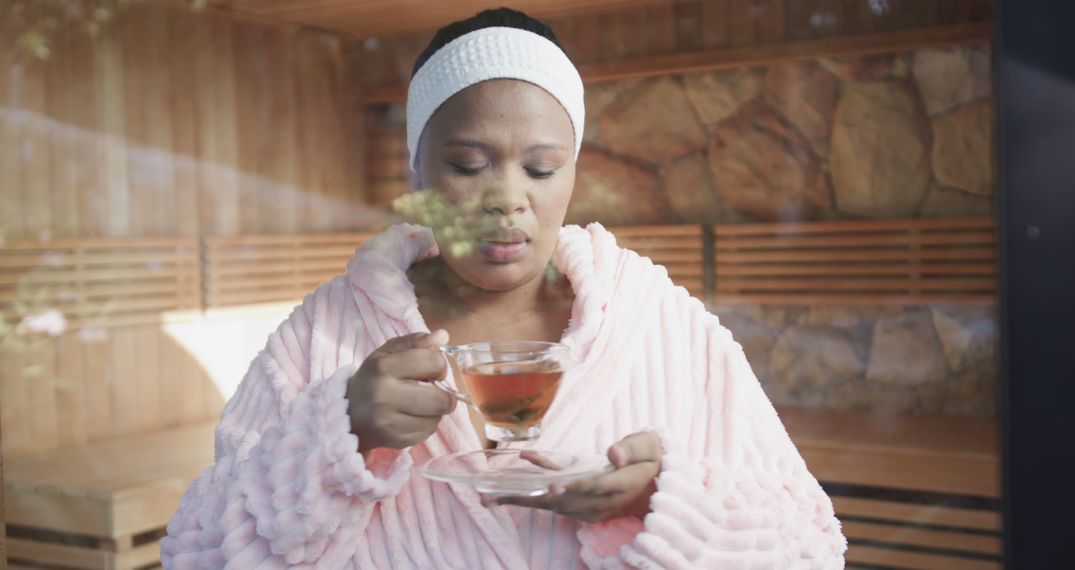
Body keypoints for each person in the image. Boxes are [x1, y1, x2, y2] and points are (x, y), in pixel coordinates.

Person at [161, 8, 846, 569]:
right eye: (467, 164)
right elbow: (198, 551)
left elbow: (809, 545)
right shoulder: (329, 333)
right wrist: (336, 435)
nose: (506, 200)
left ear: (573, 174)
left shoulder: (661, 325)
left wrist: (663, 504)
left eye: (542, 169)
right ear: (419, 171)